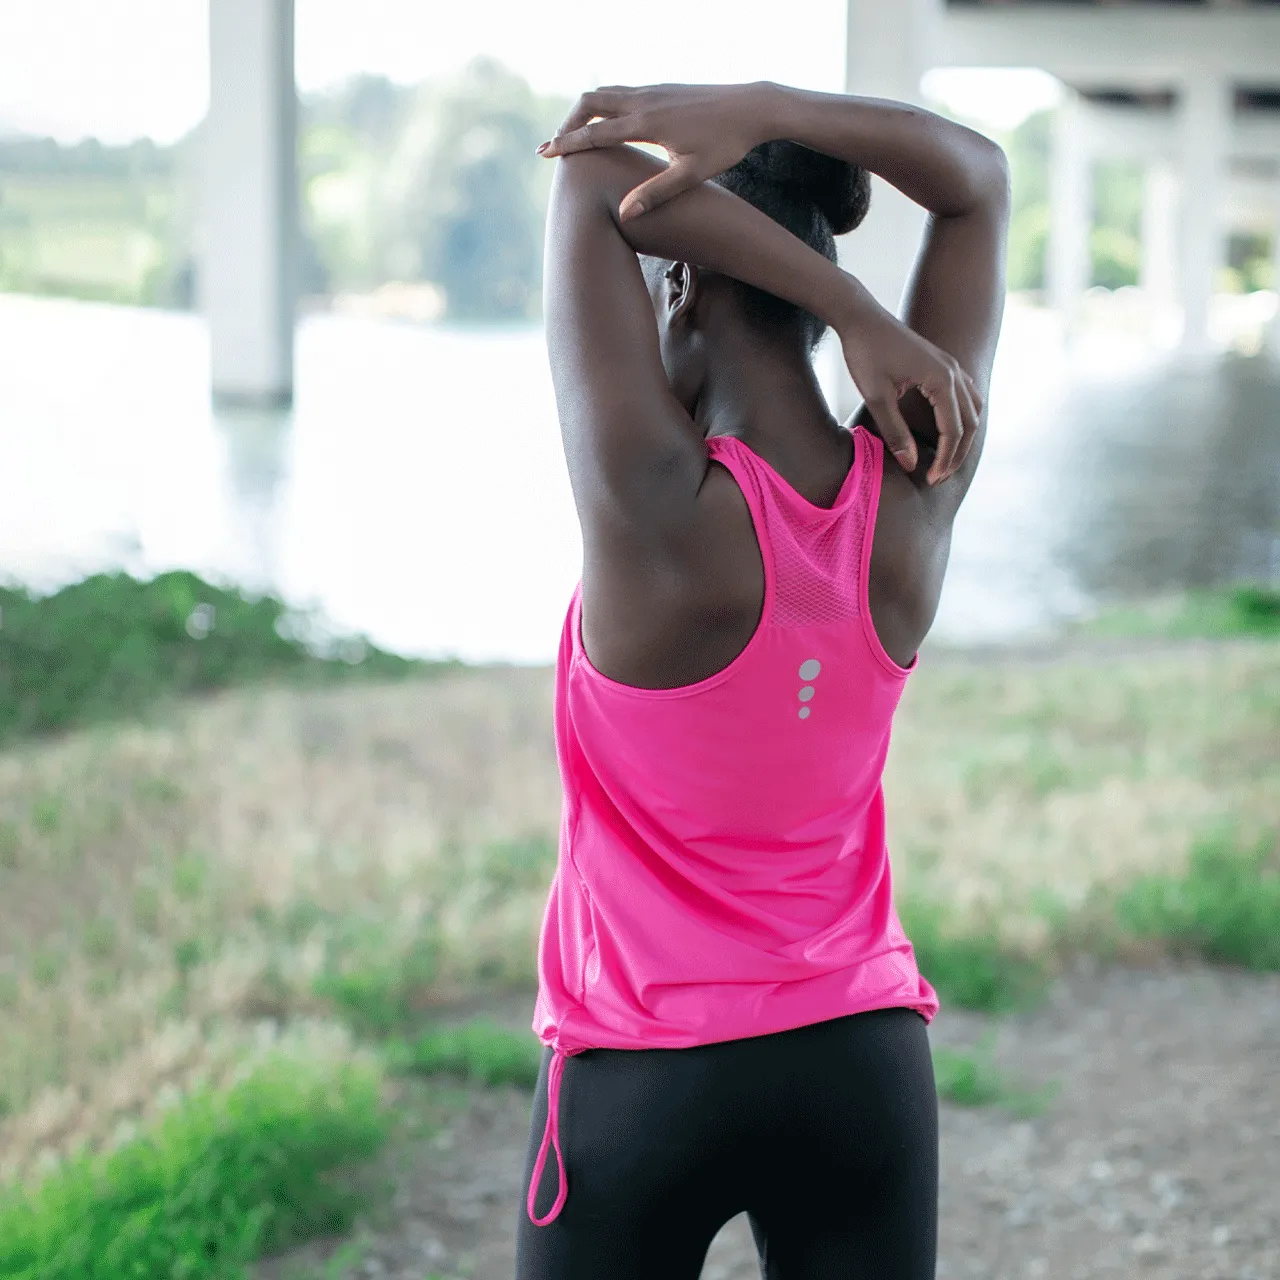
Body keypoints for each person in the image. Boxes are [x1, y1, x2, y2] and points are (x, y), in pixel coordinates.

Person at [516, 81, 1009, 1280]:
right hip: (861, 1066)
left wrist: (843, 301)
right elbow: (977, 181)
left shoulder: (653, 512)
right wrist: (762, 120)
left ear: (678, 280)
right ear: (800, 288)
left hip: (642, 1076)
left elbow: (588, 178)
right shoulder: (914, 488)